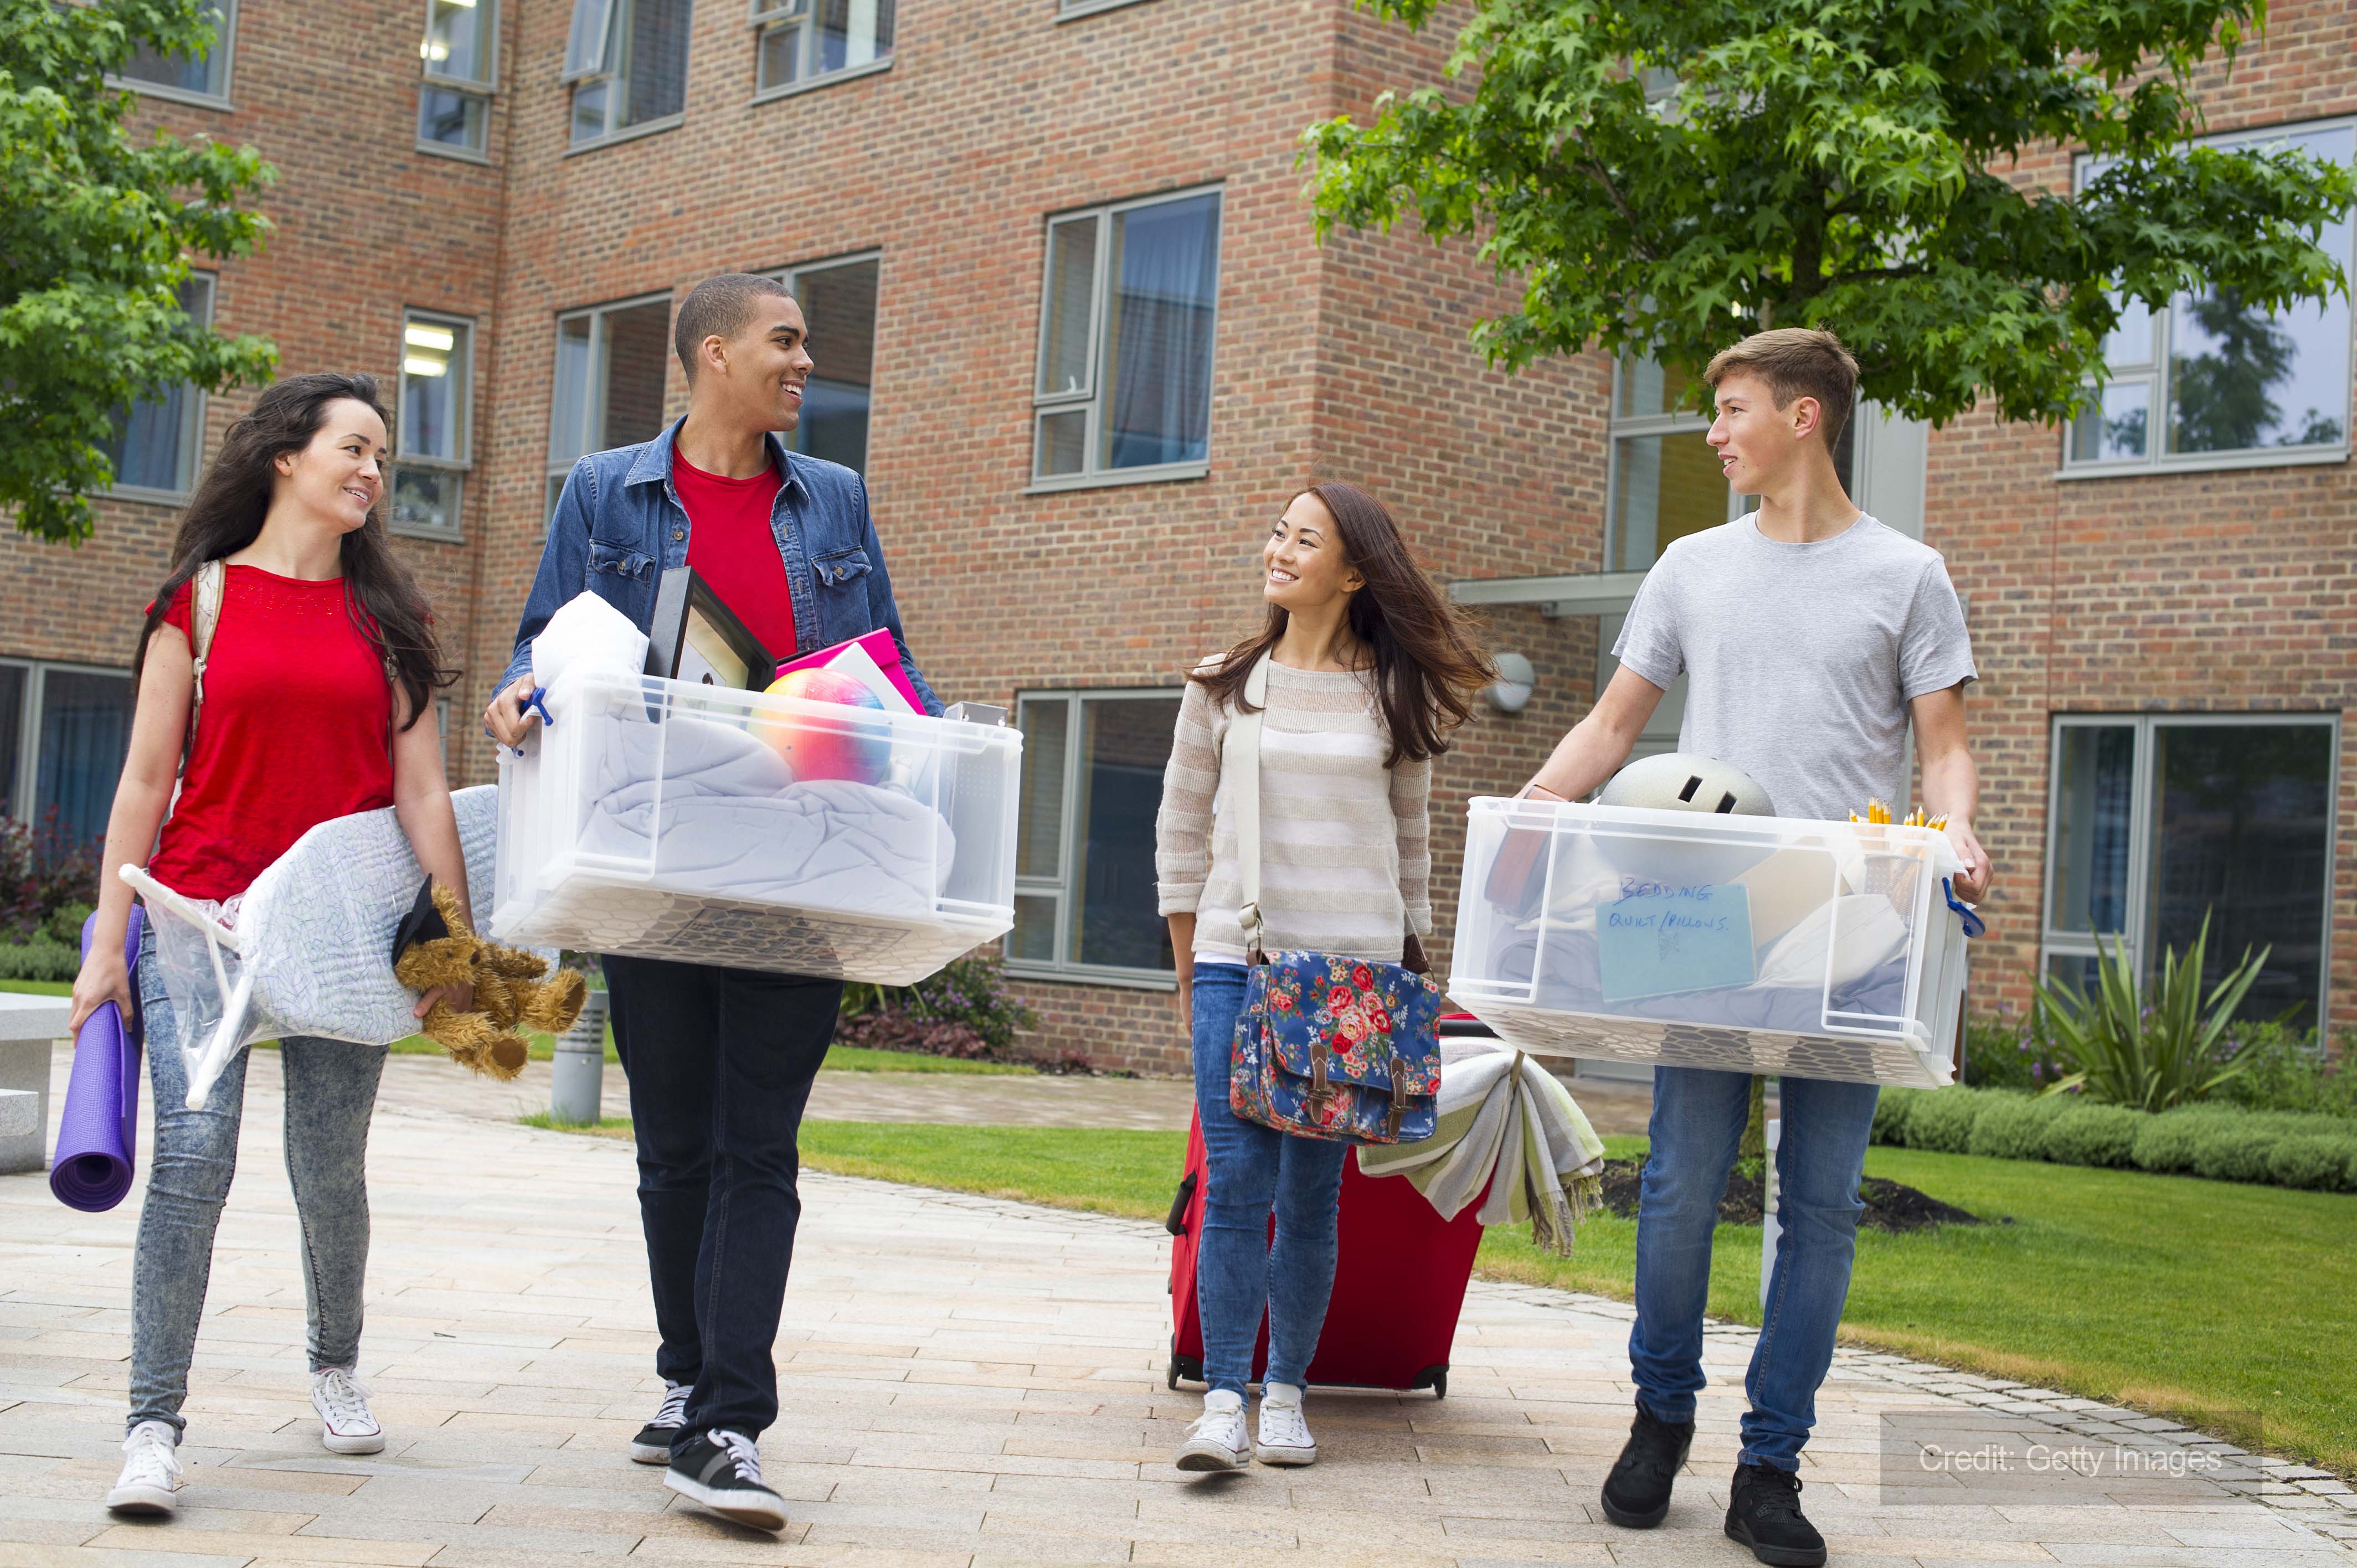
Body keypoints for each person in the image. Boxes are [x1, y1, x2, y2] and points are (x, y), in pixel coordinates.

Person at [1520, 328, 1993, 1567]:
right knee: (1677, 1184)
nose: (1713, 432)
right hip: (1707, 909)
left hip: (1849, 921)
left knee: (1821, 1207)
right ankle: (1658, 1418)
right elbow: (1615, 719)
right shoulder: (1690, 564)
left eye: (1730, 411)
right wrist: (1531, 821)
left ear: (1804, 418)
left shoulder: (1907, 574)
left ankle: (1770, 1464)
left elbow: (1941, 743)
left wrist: (1953, 835)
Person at [484, 273, 939, 1532]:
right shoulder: (605, 489)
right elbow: (545, 637)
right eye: (787, 343)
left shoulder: (831, 499)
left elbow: (881, 660)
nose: (807, 363)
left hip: (797, 862)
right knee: (672, 1145)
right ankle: (687, 1377)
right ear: (714, 353)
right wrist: (517, 693)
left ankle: (731, 1420)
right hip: (658, 861)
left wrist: (930, 757)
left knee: (757, 1146)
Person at [69, 374, 474, 1518]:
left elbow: (425, 794)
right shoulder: (195, 603)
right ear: (286, 457)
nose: (373, 473)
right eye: (354, 447)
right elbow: (145, 784)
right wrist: (109, 945)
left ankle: (335, 1364)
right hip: (199, 917)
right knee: (193, 1166)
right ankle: (152, 1425)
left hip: (342, 933)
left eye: (383, 458)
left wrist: (453, 949)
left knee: (328, 1169)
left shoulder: (390, 620)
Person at [1154, 481, 1490, 1473]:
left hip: (1353, 978)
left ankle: (1288, 1395)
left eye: (1307, 540)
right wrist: (1187, 973)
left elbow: (1413, 843)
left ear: (1352, 572)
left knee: (1310, 1198)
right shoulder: (1223, 686)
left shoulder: (1395, 693)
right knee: (1235, 1185)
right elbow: (1179, 837)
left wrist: (1415, 979)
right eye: (1278, 533)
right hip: (1237, 964)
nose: (1281, 550)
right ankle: (1223, 1398)